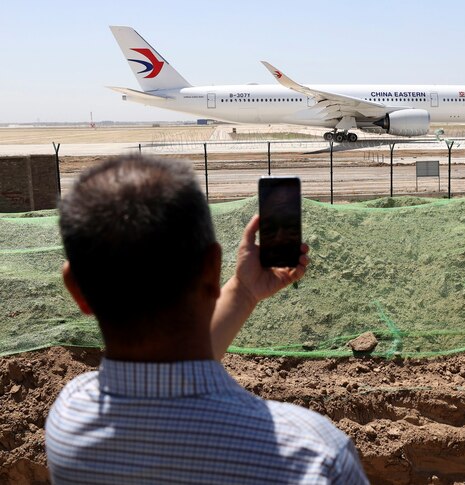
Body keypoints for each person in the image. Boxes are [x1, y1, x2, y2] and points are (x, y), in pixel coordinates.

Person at [46, 155, 368, 484]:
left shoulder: (68, 419)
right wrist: (240, 288)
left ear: (76, 289)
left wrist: (243, 291)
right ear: (214, 269)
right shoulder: (316, 456)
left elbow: (168, 375)